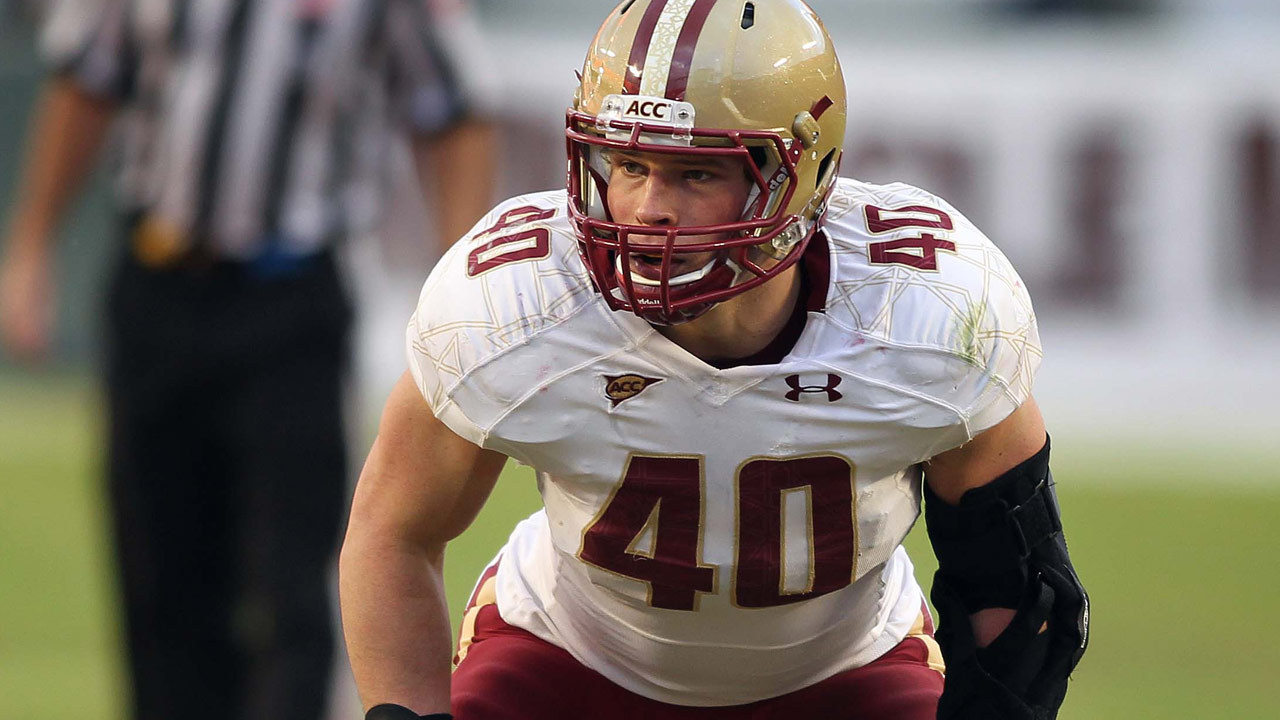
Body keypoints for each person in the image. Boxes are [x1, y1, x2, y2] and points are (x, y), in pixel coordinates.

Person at [339, 1, 1089, 719]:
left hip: (845, 671)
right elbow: (392, 533)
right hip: (569, 655)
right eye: (628, 165)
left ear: (800, 175)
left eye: (696, 173)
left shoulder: (924, 316)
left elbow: (1017, 587)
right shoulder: (517, 302)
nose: (647, 210)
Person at [0, 1, 496, 719]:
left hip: (291, 301)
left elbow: (454, 108)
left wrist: (462, 288)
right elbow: (85, 80)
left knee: (292, 589)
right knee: (159, 578)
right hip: (156, 282)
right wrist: (33, 247)